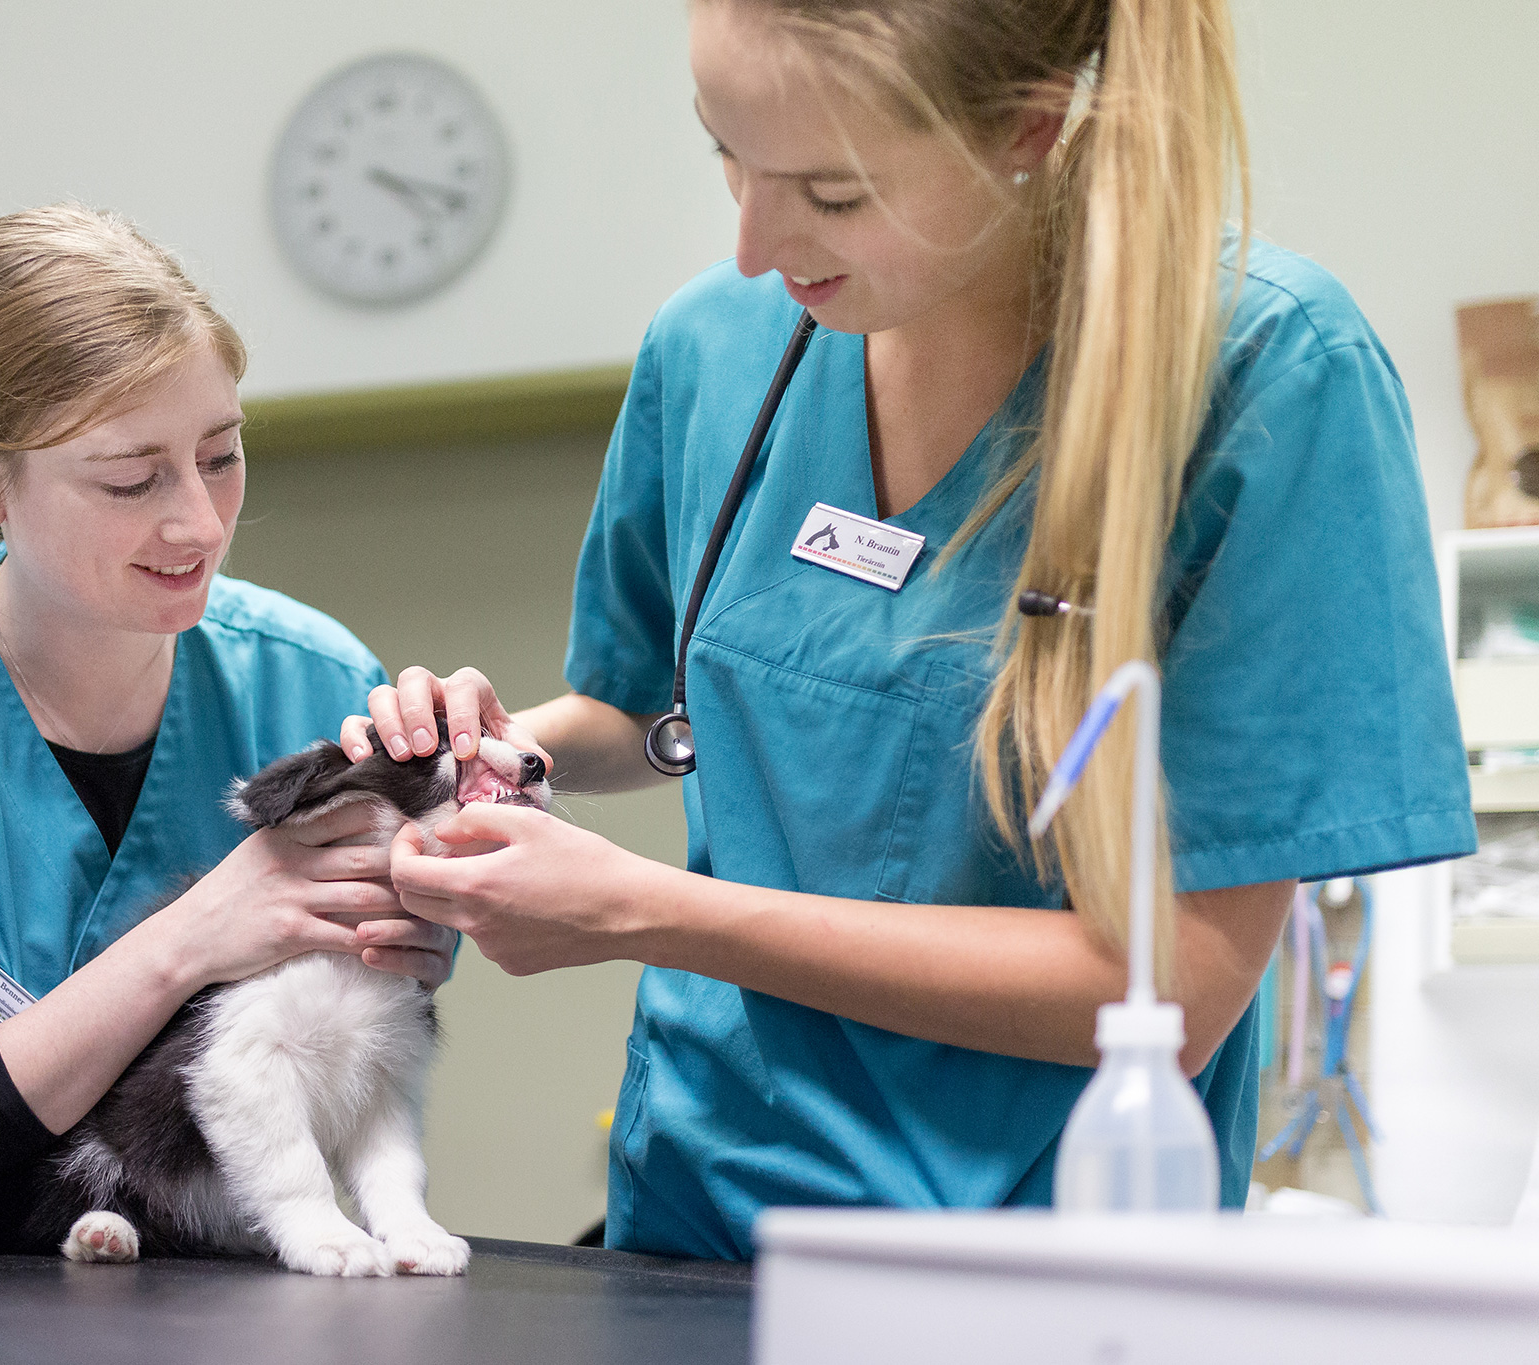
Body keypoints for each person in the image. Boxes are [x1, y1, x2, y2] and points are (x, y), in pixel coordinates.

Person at [347, 0, 1476, 1258]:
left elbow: (1172, 983)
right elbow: (649, 709)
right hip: (689, 1224)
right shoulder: (716, 349)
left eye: (830, 193)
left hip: (1047, 1263)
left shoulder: (1264, 375)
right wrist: (495, 746)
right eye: (725, 153)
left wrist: (642, 912)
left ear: (1028, 130)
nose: (752, 244)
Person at [0, 204, 454, 1242]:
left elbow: (367, 1027)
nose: (196, 521)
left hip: (223, 1293)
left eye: (220, 456)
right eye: (131, 477)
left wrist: (455, 842)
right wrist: (195, 936)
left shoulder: (310, 676)